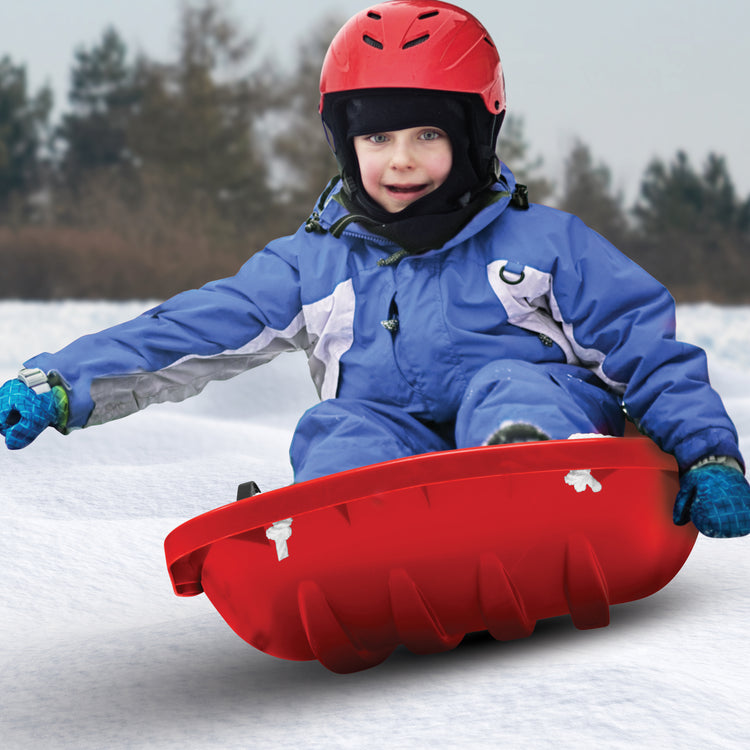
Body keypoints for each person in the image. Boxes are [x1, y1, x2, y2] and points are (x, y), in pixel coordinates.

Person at [1, 0, 749, 538]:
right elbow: (187, 330)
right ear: (345, 145)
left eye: (428, 133)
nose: (400, 160)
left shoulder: (546, 244)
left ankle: (529, 480)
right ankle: (346, 530)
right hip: (403, 468)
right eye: (379, 136)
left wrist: (708, 453)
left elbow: (646, 351)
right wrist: (61, 382)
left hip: (549, 441)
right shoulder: (313, 266)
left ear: (475, 138)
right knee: (341, 424)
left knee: (508, 385)